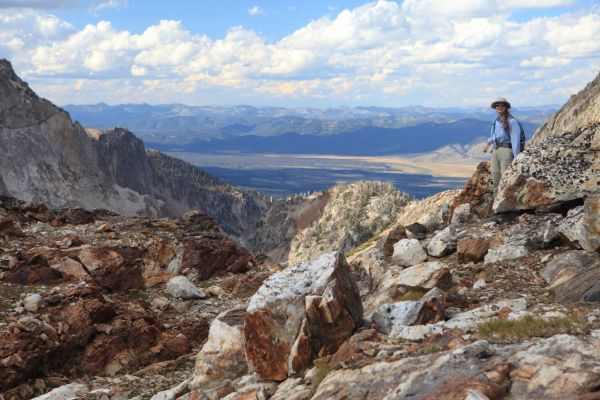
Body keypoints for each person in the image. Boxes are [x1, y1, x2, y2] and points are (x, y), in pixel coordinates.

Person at [483, 97, 522, 189]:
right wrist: (488, 144)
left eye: (502, 105)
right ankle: (497, 199)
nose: (499, 107)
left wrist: (516, 157)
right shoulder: (496, 121)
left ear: (506, 107)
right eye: (497, 105)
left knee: (505, 179)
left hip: (506, 151)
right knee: (495, 176)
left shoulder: (512, 121)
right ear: (495, 108)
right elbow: (494, 136)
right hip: (495, 150)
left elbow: (515, 139)